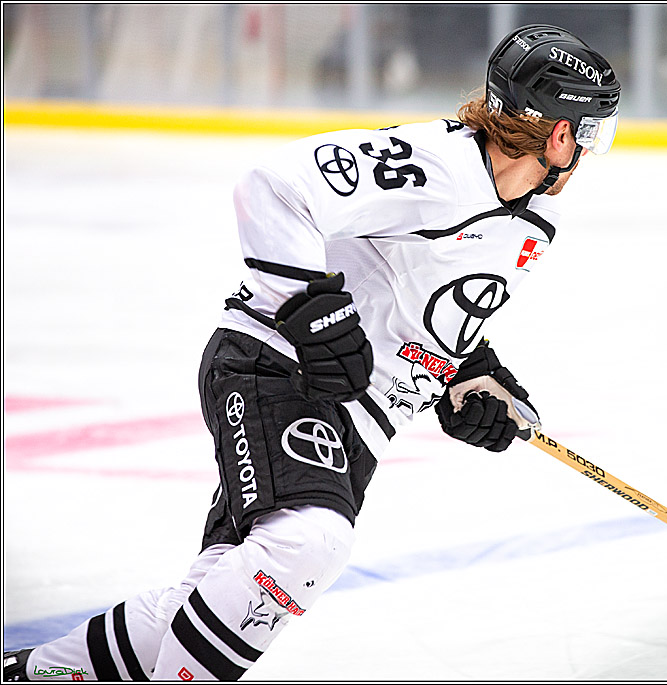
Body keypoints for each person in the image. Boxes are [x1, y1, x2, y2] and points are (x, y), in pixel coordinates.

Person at [3, 23, 620, 681]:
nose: (589, 151)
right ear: (560, 134)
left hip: (353, 424)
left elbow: (433, 314)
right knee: (308, 540)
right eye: (591, 133)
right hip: (276, 365)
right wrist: (313, 309)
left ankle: (32, 672)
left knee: (225, 589)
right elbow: (274, 187)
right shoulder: (438, 165)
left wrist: (476, 383)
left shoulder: (531, 218)